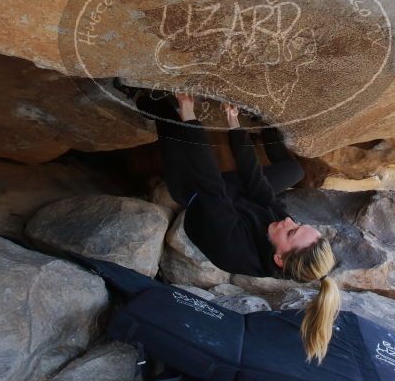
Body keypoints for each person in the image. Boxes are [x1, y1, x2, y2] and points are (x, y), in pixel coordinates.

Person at [132, 87, 341, 364]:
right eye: (299, 224)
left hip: (199, 197)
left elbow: (210, 184)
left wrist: (190, 116)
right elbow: (257, 185)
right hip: (236, 201)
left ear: (279, 258)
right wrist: (235, 124)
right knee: (294, 172)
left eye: (292, 231)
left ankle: (137, 95)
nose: (289, 220)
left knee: (172, 119)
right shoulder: (282, 229)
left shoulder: (234, 247)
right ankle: (267, 130)